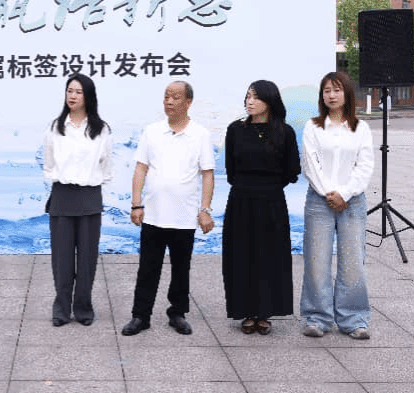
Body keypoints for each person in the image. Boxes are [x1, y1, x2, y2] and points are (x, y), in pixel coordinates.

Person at [121, 81, 215, 337]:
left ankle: (177, 312)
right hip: (153, 214)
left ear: (188, 102)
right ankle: (141, 316)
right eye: (166, 97)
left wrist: (205, 209)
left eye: (175, 97)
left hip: (184, 215)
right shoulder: (152, 131)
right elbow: (140, 168)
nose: (169, 101)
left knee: (181, 268)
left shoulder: (200, 135)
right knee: (147, 268)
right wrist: (136, 203)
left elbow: (207, 174)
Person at [222, 80, 300, 335]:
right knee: (241, 255)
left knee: (270, 256)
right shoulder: (235, 129)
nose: (250, 101)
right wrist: (249, 185)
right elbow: (231, 170)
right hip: (241, 200)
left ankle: (265, 312)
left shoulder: (285, 132)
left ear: (270, 100)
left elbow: (292, 170)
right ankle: (245, 311)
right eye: (248, 96)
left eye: (256, 97)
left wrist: (269, 186)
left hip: (272, 201)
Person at [300, 71, 374, 339]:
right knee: (316, 261)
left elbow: (365, 165)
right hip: (319, 201)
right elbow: (310, 164)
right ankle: (317, 317)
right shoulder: (313, 127)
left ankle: (353, 319)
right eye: (327, 91)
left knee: (353, 261)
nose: (331, 95)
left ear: (347, 94)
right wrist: (330, 194)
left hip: (352, 202)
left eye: (337, 90)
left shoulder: (360, 128)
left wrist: (345, 193)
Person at [43, 73, 113, 327]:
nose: (72, 96)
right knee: (61, 260)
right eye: (69, 91)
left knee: (87, 260)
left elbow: (106, 166)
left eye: (78, 92)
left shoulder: (101, 129)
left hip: (89, 198)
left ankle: (83, 309)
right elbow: (49, 163)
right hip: (62, 197)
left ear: (88, 96)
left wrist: (88, 181)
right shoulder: (55, 127)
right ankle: (61, 310)